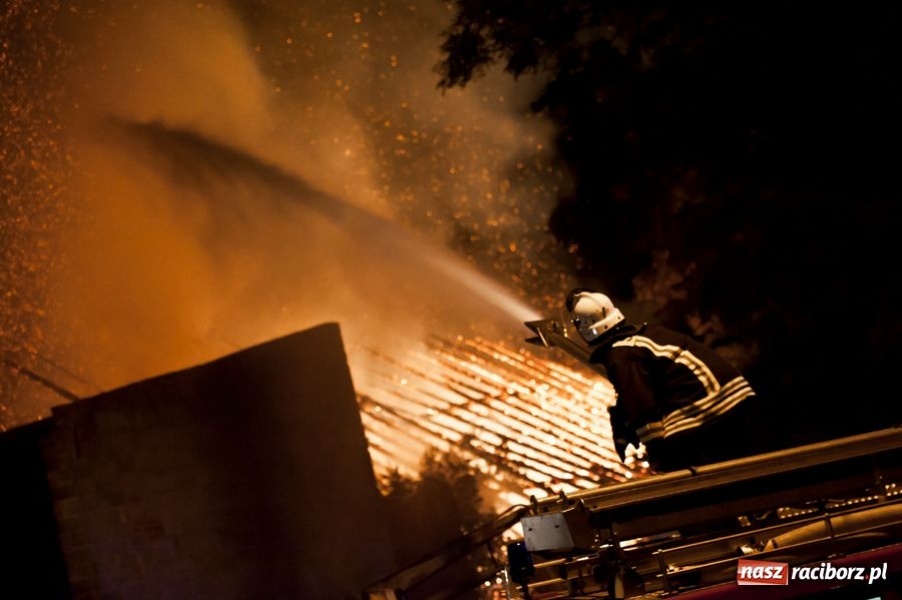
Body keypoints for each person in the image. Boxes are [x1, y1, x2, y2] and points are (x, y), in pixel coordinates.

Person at [566, 288, 770, 472]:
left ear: (584, 328)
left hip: (706, 408)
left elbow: (641, 405)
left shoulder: (620, 354)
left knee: (679, 471)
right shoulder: (646, 337)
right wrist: (622, 414)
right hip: (734, 398)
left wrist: (658, 452)